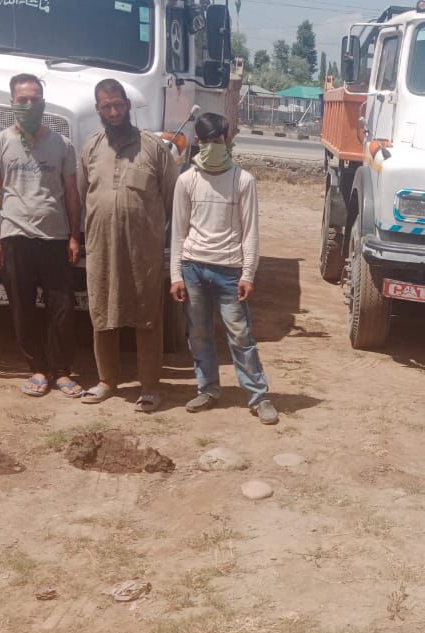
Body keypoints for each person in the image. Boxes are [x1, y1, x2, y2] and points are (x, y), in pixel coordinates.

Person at [0, 73, 84, 399]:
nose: (29, 105)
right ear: (12, 102)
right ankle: (37, 369)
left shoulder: (62, 145)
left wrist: (74, 236)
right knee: (22, 308)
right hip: (15, 237)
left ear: (43, 103)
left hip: (54, 238)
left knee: (62, 308)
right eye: (22, 100)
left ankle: (62, 371)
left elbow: (71, 193)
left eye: (34, 99)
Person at [170, 112, 278, 425]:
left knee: (240, 336)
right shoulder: (186, 180)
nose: (213, 145)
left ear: (226, 140)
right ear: (198, 141)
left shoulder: (243, 181)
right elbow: (178, 231)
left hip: (230, 271)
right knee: (199, 333)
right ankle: (207, 389)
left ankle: (258, 396)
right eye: (206, 141)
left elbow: (250, 232)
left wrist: (248, 274)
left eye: (218, 140)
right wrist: (176, 275)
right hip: (193, 268)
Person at [77, 79, 178, 412]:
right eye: (106, 106)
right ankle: (107, 381)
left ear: (128, 105)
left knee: (146, 316)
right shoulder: (91, 148)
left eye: (118, 104)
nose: (113, 112)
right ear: (98, 110)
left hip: (143, 251)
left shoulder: (153, 148)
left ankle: (150, 386)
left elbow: (173, 199)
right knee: (102, 313)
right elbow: (82, 195)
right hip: (101, 248)